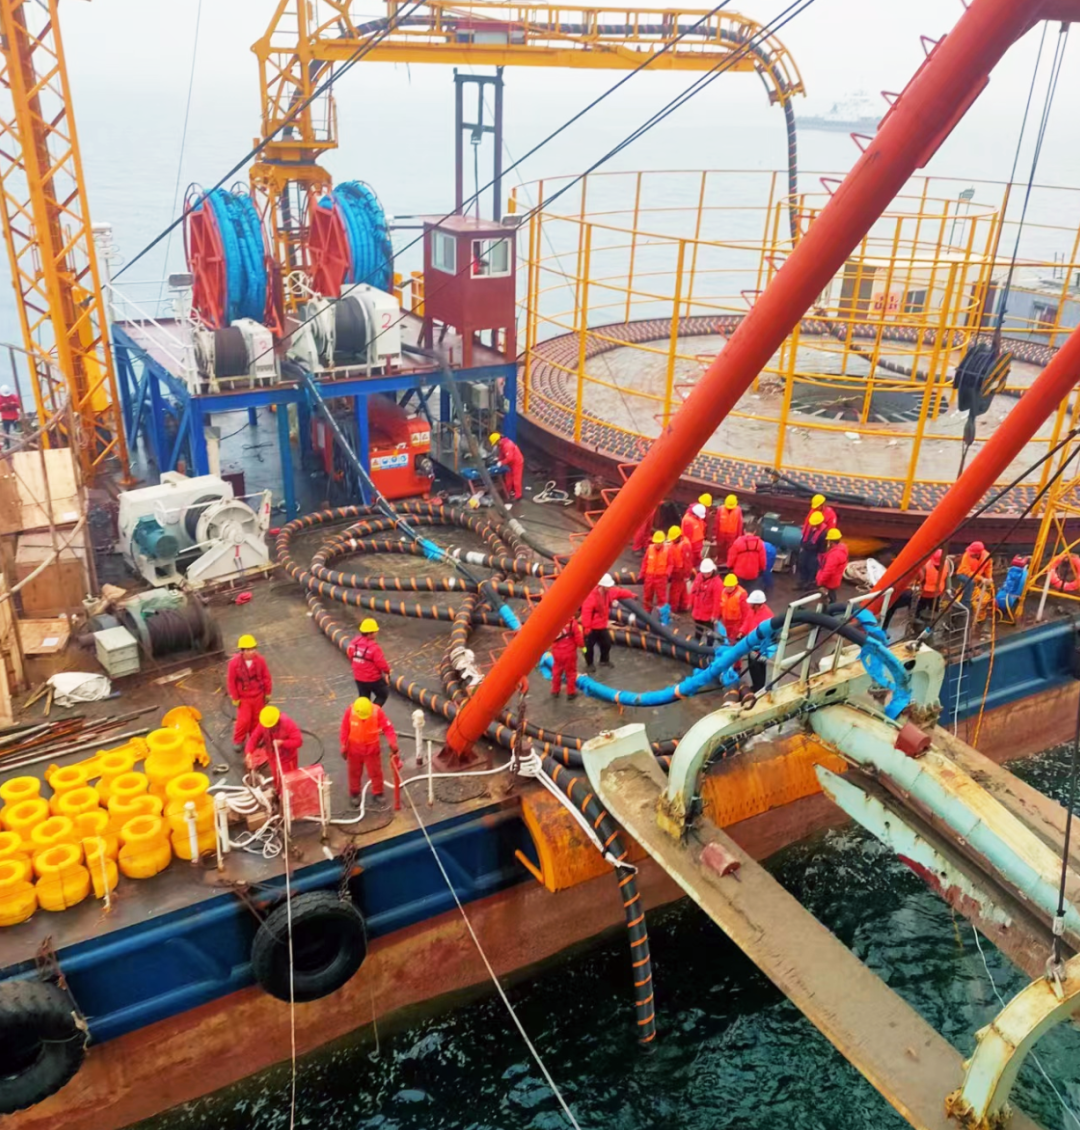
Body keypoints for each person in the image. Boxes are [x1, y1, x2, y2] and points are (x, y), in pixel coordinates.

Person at [340, 697, 399, 810]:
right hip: (354, 748)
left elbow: (388, 728)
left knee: (375, 771)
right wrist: (343, 746)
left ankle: (378, 792)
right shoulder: (350, 712)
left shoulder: (377, 711)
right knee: (354, 772)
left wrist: (392, 742)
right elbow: (345, 729)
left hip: (372, 748)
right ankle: (354, 793)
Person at [883, 548, 950, 630]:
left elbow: (919, 578)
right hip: (931, 592)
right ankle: (924, 626)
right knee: (929, 610)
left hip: (929, 592)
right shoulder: (942, 564)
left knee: (923, 610)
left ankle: (919, 626)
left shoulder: (926, 566)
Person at [226, 634, 272, 752]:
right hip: (244, 698)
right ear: (242, 651)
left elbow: (266, 677)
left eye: (253, 648)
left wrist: (267, 692)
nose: (252, 652)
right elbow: (231, 681)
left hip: (258, 695)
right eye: (248, 649)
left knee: (257, 720)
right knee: (243, 721)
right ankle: (239, 740)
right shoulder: (234, 664)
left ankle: (255, 739)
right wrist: (235, 697)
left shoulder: (260, 661)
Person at [244, 705, 303, 795]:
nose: (269, 728)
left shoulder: (287, 724)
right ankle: (279, 794)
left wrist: (283, 743)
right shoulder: (264, 724)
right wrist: (249, 752)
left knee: (288, 782)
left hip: (288, 759)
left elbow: (298, 741)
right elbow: (254, 738)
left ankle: (290, 797)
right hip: (272, 757)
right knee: (277, 778)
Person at [581, 573, 635, 670]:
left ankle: (604, 661)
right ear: (603, 586)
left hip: (602, 626)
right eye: (608, 586)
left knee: (606, 644)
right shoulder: (591, 598)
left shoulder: (608, 593)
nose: (610, 587)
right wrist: (587, 627)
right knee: (588, 648)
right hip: (592, 628)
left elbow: (619, 592)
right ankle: (589, 664)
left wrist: (631, 594)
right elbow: (586, 613)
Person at [347, 618, 390, 705]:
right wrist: (387, 672)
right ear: (371, 633)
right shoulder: (374, 648)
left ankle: (364, 711)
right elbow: (381, 663)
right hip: (373, 679)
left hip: (359, 678)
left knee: (364, 699)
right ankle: (373, 711)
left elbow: (350, 654)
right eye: (375, 631)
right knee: (382, 695)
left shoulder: (354, 642)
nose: (377, 633)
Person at [740, 590, 774, 692]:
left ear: (757, 604)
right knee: (752, 668)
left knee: (759, 669)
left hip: (760, 648)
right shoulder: (752, 611)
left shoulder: (767, 616)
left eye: (751, 603)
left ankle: (759, 689)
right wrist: (742, 632)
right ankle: (755, 686)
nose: (749, 604)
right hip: (752, 645)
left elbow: (769, 634)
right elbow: (747, 621)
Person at [550, 615, 585, 698]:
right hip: (569, 653)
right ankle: (571, 692)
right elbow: (578, 638)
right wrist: (582, 646)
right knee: (571, 673)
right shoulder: (572, 623)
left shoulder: (553, 622)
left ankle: (555, 690)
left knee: (556, 672)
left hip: (557, 652)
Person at [689, 558, 723, 644]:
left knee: (709, 634)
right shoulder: (698, 577)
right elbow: (693, 591)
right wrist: (690, 603)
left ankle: (709, 648)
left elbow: (717, 600)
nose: (706, 575)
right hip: (697, 612)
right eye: (704, 573)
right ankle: (696, 647)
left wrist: (715, 615)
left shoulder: (717, 583)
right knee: (697, 632)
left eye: (708, 573)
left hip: (708, 615)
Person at [956, 540, 992, 609]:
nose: (970, 554)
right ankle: (965, 604)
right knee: (970, 583)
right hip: (962, 574)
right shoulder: (966, 555)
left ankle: (969, 601)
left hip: (975, 576)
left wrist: (989, 577)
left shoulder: (987, 556)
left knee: (976, 585)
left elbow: (988, 566)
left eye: (972, 553)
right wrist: (981, 578)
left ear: (978, 554)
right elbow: (967, 571)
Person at [641, 530, 672, 612]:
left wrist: (667, 574)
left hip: (661, 578)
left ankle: (661, 615)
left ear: (662, 542)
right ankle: (646, 613)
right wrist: (642, 574)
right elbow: (645, 562)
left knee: (662, 598)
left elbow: (670, 564)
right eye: (656, 542)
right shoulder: (649, 549)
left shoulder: (667, 551)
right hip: (649, 577)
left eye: (659, 542)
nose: (658, 544)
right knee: (647, 597)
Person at [816, 528, 849, 603]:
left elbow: (828, 571)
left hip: (828, 583)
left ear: (830, 541)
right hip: (834, 581)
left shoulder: (834, 555)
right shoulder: (841, 550)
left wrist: (820, 582)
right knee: (831, 597)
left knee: (827, 600)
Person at [489, 431, 525, 501]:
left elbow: (509, 458)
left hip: (517, 462)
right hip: (510, 463)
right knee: (508, 477)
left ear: (498, 440)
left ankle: (518, 495)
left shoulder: (507, 445)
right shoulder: (502, 445)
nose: (495, 445)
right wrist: (498, 459)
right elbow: (502, 454)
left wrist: (501, 462)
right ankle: (507, 491)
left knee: (516, 479)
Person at [798, 511, 828, 587]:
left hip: (814, 553)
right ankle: (802, 582)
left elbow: (822, 547)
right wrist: (802, 545)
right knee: (802, 564)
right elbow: (804, 536)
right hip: (805, 549)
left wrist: (819, 556)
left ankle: (809, 584)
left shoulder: (823, 533)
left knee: (811, 568)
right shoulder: (809, 528)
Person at [667, 524, 692, 613]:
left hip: (679, 571)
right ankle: (683, 605)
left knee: (675, 591)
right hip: (677, 569)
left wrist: (687, 574)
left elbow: (687, 562)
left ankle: (673, 608)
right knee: (682, 589)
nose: (672, 540)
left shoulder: (685, 546)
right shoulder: (677, 543)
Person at [713, 495, 744, 567]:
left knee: (731, 550)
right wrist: (715, 534)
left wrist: (739, 536)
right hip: (721, 534)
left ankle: (729, 563)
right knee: (720, 549)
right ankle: (720, 561)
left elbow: (739, 524)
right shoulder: (720, 509)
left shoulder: (738, 510)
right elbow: (717, 523)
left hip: (732, 534)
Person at [718, 573, 748, 644]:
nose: (729, 588)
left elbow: (745, 613)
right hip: (725, 622)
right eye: (727, 586)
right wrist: (717, 618)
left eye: (731, 587)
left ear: (735, 585)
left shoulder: (741, 595)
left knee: (733, 641)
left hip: (736, 623)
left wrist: (742, 629)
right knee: (725, 639)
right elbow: (720, 606)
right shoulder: (723, 592)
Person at [681, 502, 707, 570]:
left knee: (698, 561)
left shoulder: (697, 518)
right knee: (692, 562)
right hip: (693, 546)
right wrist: (690, 549)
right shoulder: (688, 521)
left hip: (698, 545)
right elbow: (687, 537)